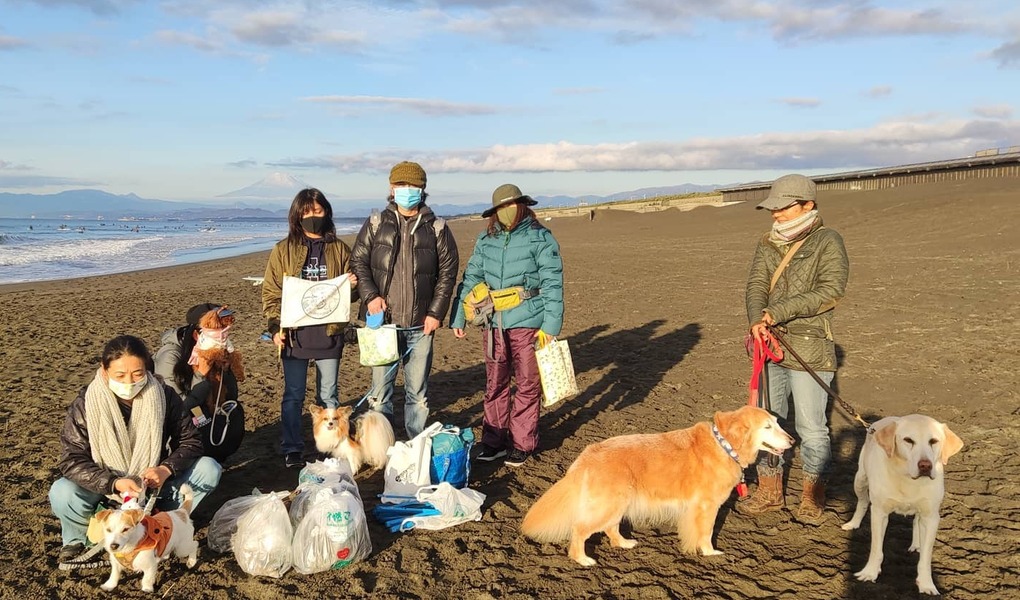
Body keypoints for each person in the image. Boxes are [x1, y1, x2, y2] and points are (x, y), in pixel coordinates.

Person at [49, 335, 222, 563]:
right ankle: (77, 540)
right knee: (62, 491)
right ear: (104, 370)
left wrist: (165, 469)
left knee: (209, 469)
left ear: (148, 369)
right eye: (120, 375)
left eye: (137, 374)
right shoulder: (85, 403)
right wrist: (113, 482)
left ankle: (162, 521)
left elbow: (191, 441)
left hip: (151, 486)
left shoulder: (164, 395)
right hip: (104, 487)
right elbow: (71, 459)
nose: (129, 382)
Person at [738, 174, 849, 524]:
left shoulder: (827, 241)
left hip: (810, 348)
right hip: (769, 344)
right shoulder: (767, 243)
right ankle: (770, 492)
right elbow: (756, 284)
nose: (776, 214)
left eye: (783, 207)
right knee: (768, 423)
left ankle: (812, 494)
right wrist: (757, 319)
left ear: (807, 205)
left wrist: (778, 312)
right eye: (773, 208)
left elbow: (831, 290)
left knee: (812, 427)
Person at [450, 183, 564, 467]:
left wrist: (551, 325)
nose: (506, 211)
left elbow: (553, 282)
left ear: (523, 205)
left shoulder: (541, 238)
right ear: (494, 212)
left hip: (529, 321)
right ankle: (494, 441)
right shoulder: (485, 239)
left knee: (527, 383)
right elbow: (471, 276)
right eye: (500, 207)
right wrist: (459, 316)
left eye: (511, 205)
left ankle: (522, 443)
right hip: (493, 324)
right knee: (495, 384)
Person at [350, 161, 459, 439]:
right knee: (380, 393)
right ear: (391, 188)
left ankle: (414, 444)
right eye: (401, 186)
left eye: (413, 186)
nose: (406, 191)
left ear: (422, 190)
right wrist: (371, 296)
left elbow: (448, 273)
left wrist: (436, 313)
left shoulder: (437, 227)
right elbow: (359, 261)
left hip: (420, 326)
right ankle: (381, 446)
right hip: (382, 325)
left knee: (418, 395)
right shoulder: (376, 223)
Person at [262, 188, 358, 468]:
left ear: (326, 212)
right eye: (306, 212)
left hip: (329, 333)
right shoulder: (283, 249)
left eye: (317, 211)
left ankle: (330, 446)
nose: (312, 216)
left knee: (328, 395)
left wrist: (353, 286)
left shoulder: (339, 249)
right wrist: (274, 326)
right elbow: (271, 292)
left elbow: (350, 294)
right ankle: (292, 447)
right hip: (295, 334)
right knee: (293, 394)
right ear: (296, 215)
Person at [153, 303, 245, 463]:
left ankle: (218, 453)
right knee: (198, 421)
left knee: (234, 411)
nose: (222, 339)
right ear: (197, 335)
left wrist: (225, 371)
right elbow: (178, 406)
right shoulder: (170, 357)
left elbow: (230, 395)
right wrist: (201, 373)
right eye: (217, 334)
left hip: (205, 411)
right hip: (183, 417)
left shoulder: (219, 351)